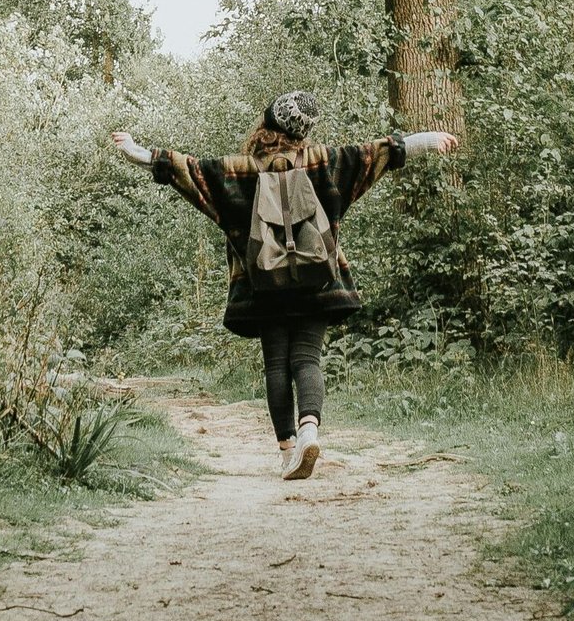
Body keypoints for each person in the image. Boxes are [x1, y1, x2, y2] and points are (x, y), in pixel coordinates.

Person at [112, 89, 458, 481]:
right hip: (317, 282)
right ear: (302, 131)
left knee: (277, 363)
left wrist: (137, 151)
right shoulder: (324, 162)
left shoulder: (238, 170)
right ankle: (310, 428)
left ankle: (288, 451)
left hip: (263, 284)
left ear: (267, 125)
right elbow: (375, 154)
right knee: (307, 359)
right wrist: (429, 140)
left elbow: (187, 170)